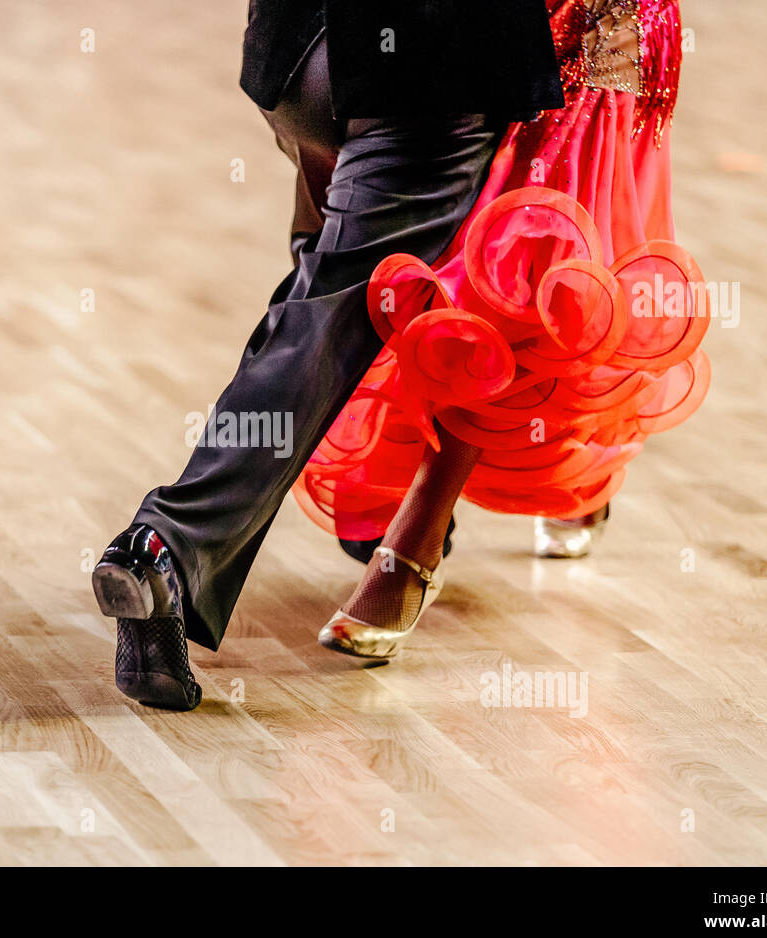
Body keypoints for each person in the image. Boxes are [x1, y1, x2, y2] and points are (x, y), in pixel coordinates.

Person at [92, 1, 564, 710]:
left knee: (324, 285)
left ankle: (363, 517)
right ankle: (169, 545)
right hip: (427, 68)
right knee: (337, 309)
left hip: (295, 54)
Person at [301, 0, 712, 657]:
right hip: (482, 20)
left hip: (597, 23)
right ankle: (582, 468)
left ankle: (415, 547)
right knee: (459, 249)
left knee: (532, 264)